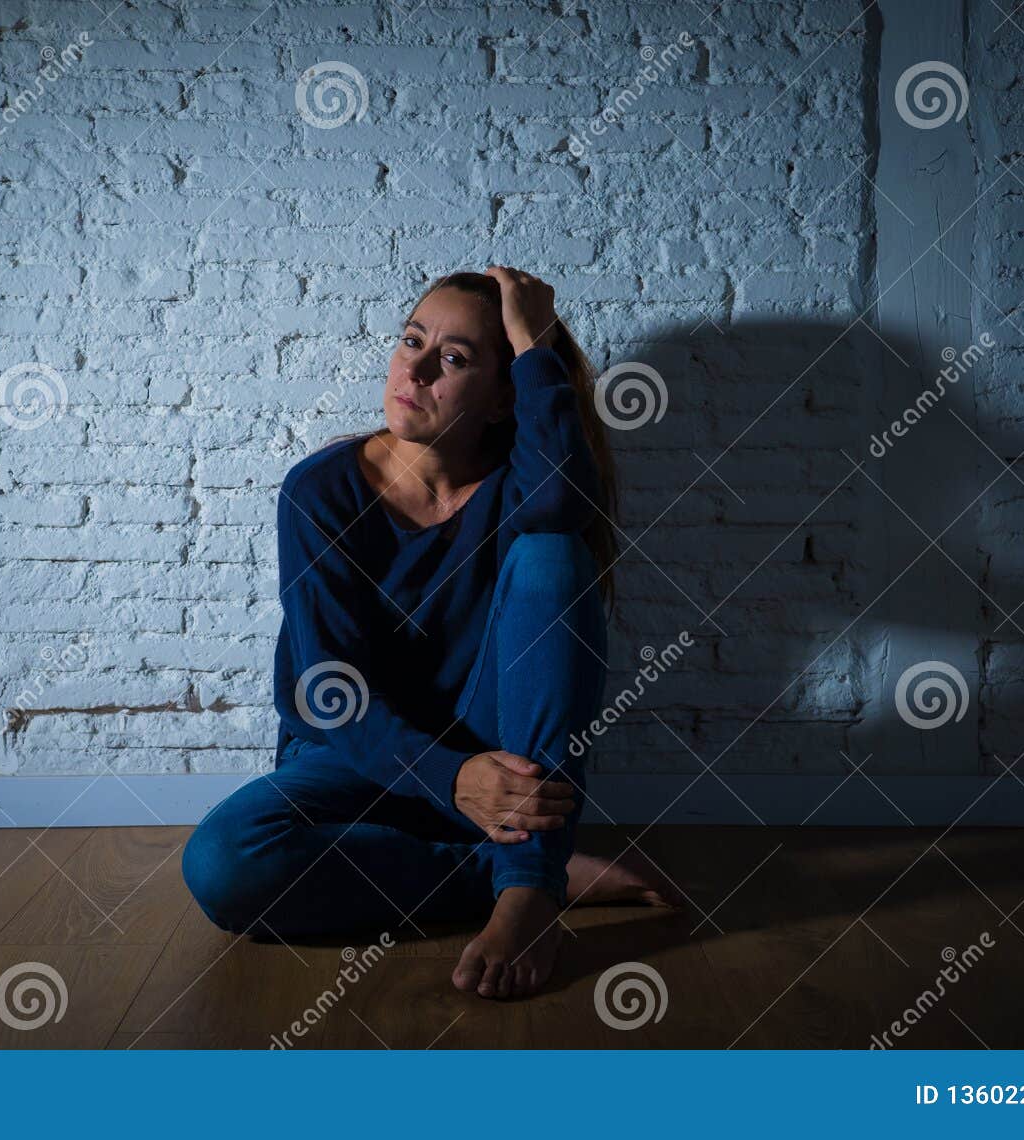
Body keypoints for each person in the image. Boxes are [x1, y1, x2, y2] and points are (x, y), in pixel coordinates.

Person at [183, 266, 674, 1000]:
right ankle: (519, 872)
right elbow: (330, 695)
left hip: (493, 742)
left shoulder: (525, 489)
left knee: (552, 553)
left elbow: (564, 508)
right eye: (411, 340)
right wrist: (449, 778)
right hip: (356, 756)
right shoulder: (320, 491)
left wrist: (536, 342)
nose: (411, 368)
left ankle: (526, 892)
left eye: (452, 359)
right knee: (226, 862)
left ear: (505, 397)